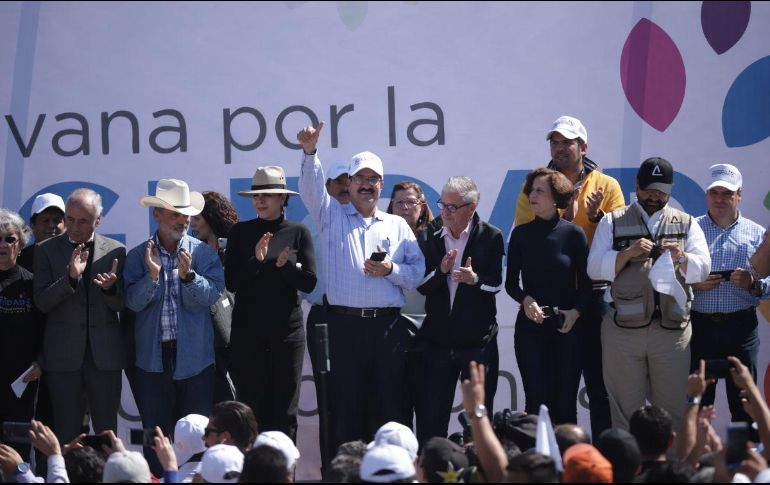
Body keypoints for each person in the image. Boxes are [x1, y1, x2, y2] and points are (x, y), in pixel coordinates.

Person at [297, 122, 425, 449]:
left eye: (372, 179)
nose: (366, 186)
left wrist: (390, 269)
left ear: (382, 184)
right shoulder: (331, 216)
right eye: (360, 179)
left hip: (387, 329)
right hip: (344, 328)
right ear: (349, 184)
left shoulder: (397, 225)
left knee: (388, 410)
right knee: (346, 412)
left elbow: (417, 273)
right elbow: (311, 190)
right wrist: (310, 153)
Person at [514, 115, 624, 438]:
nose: (560, 148)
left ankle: (602, 463)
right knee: (552, 396)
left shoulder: (607, 186)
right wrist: (565, 214)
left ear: (583, 147)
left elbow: (623, 240)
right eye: (555, 142)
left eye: (567, 142)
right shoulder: (533, 185)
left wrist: (597, 218)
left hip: (596, 299)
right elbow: (530, 235)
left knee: (600, 388)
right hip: (557, 304)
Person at [587, 157, 711, 431]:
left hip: (672, 332)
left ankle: (669, 472)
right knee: (625, 414)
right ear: (637, 185)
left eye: (661, 191)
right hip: (623, 331)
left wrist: (681, 257)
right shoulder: (612, 221)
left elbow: (702, 269)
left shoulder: (686, 223)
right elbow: (594, 269)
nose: (655, 196)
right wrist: (627, 254)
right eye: (649, 189)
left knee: (673, 415)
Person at [124, 178, 224, 475]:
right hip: (152, 362)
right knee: (156, 437)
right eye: (175, 214)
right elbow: (132, 303)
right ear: (157, 215)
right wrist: (152, 278)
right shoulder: (137, 256)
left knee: (198, 434)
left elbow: (213, 296)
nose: (183, 220)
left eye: (186, 214)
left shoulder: (204, 254)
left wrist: (189, 277)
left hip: (195, 360)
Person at [226, 165, 316, 442]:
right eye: (256, 195)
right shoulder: (240, 233)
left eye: (268, 194)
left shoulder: (298, 232)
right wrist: (255, 259)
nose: (260, 201)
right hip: (248, 334)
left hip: (286, 334)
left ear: (282, 199)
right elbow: (232, 283)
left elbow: (309, 282)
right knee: (250, 408)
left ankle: (282, 470)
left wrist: (284, 266)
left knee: (285, 409)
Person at [416, 176, 504, 445]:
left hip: (477, 345)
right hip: (437, 343)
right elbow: (422, 286)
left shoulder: (491, 236)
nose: (445, 212)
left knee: (478, 421)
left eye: (452, 207)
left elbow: (496, 284)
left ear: (471, 207)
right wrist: (442, 271)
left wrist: (474, 280)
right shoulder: (429, 235)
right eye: (443, 205)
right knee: (431, 421)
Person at [33, 188, 126, 443]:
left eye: (82, 220)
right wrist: (70, 279)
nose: (74, 226)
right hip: (63, 358)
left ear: (98, 220)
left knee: (108, 433)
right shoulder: (45, 251)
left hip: (104, 357)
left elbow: (121, 305)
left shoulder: (116, 251)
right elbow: (41, 302)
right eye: (70, 219)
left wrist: (110, 290)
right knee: (66, 434)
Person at [506, 168, 591, 425]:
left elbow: (587, 284)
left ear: (556, 198)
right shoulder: (521, 234)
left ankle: (567, 462)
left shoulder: (574, 234)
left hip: (567, 328)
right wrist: (525, 299)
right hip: (531, 328)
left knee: (565, 403)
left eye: (540, 190)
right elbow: (510, 284)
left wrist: (576, 312)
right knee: (536, 403)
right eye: (531, 190)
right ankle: (536, 463)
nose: (533, 195)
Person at [691, 164, 768, 423]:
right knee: (698, 405)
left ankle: (750, 461)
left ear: (739, 195)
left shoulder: (757, 234)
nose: (720, 199)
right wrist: (694, 285)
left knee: (746, 404)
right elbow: (671, 278)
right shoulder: (691, 230)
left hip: (741, 329)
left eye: (727, 193)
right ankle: (696, 462)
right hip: (699, 328)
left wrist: (753, 285)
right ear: (707, 195)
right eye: (715, 193)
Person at [299, 159, 349, 475]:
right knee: (328, 399)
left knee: (357, 396)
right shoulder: (309, 221)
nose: (345, 187)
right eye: (338, 182)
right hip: (323, 317)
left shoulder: (366, 221)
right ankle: (331, 471)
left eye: (349, 181)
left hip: (356, 319)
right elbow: (303, 278)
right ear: (326, 186)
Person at [386, 181, 434, 430]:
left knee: (428, 411)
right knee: (397, 410)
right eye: (399, 202)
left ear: (422, 206)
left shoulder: (436, 238)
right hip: (392, 331)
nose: (405, 208)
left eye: (410, 202)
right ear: (391, 207)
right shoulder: (382, 235)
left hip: (431, 333)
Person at [0, 210, 44, 462]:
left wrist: (41, 361)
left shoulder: (32, 283)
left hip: (21, 386)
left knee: (17, 455)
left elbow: (47, 329)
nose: (2, 245)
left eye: (9, 239)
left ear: (21, 244)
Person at [190, 191, 240, 403]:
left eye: (197, 218)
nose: (192, 223)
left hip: (231, 336)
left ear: (211, 218)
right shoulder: (191, 251)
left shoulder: (235, 247)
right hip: (201, 340)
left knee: (231, 401)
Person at [17, 193, 65, 272]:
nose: (51, 225)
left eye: (57, 221)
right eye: (45, 220)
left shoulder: (76, 258)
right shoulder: (19, 260)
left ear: (65, 225)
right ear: (32, 225)